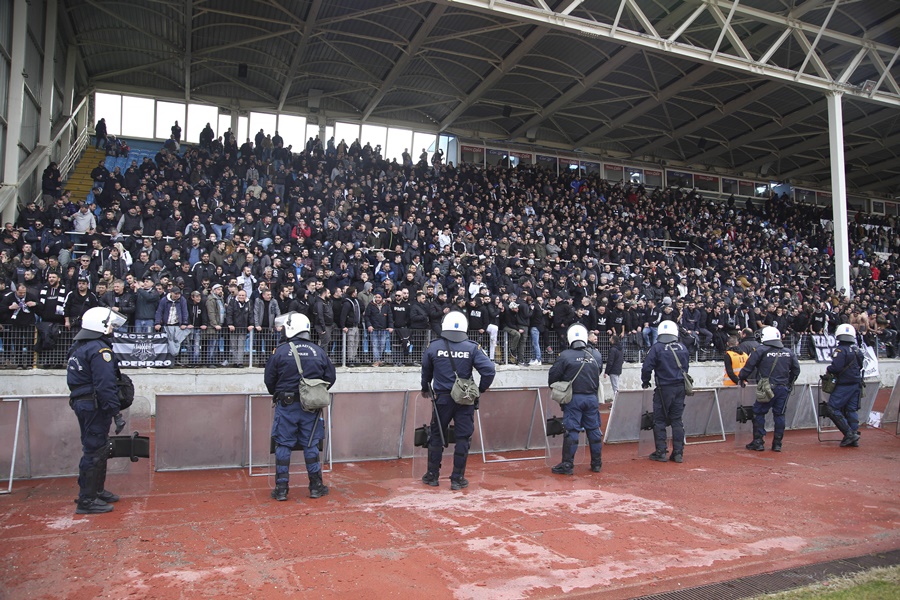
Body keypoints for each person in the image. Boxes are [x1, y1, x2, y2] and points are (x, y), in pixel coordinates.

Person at [264, 312, 336, 501]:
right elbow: (331, 377)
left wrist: (279, 393)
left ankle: (281, 489)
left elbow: (269, 379)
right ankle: (315, 486)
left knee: (283, 445)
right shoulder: (317, 351)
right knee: (311, 444)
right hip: (310, 407)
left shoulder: (280, 351)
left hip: (286, 405)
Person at [421, 312, 495, 490]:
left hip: (442, 399)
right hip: (465, 399)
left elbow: (426, 372)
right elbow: (489, 370)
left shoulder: (433, 346)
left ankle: (432, 476)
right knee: (463, 438)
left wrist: (425, 388)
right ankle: (457, 478)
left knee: (436, 436)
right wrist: (479, 390)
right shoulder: (472, 347)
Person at [67, 307, 127, 514]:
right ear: (99, 325)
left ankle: (96, 491)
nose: (111, 328)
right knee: (94, 450)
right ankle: (87, 499)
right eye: (109, 324)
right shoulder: (100, 350)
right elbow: (105, 385)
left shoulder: (79, 347)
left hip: (84, 403)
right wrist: (115, 412)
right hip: (94, 406)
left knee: (98, 448)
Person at [548, 324, 604, 475]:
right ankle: (597, 463)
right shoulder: (596, 355)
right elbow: (599, 371)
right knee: (594, 430)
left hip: (574, 398)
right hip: (592, 397)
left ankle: (567, 465)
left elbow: (553, 377)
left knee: (572, 430)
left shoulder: (565, 355)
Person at [738, 326, 800, 452]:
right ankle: (777, 443)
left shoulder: (761, 350)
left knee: (759, 412)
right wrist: (789, 383)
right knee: (779, 414)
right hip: (782, 388)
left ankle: (758, 441)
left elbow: (749, 366)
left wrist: (741, 377)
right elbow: (796, 370)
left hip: (766, 386)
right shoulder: (788, 352)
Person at [640, 320, 691, 463]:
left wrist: (645, 381)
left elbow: (647, 367)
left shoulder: (657, 348)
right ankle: (678, 453)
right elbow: (686, 366)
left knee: (660, 420)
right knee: (677, 420)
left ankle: (661, 451)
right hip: (680, 386)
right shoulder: (682, 347)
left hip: (664, 388)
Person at [825, 324, 864, 447]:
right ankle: (854, 435)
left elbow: (835, 367)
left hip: (844, 384)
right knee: (851, 409)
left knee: (832, 408)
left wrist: (828, 369)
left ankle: (849, 433)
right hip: (856, 383)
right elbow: (861, 365)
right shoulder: (857, 350)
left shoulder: (840, 350)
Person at [603, 333, 624, 397]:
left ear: (613, 340)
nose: (609, 339)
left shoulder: (613, 350)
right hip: (618, 369)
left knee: (615, 388)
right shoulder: (620, 349)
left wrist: (606, 372)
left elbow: (610, 361)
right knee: (616, 386)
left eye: (610, 338)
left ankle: (616, 403)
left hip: (613, 370)